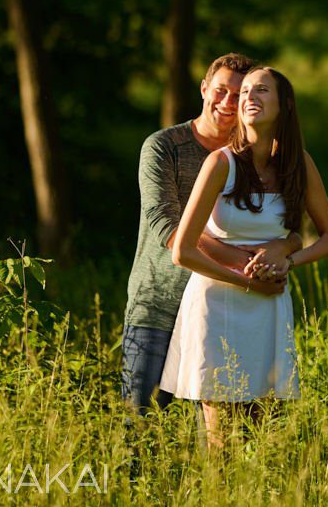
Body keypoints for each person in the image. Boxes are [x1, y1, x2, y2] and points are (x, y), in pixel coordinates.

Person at [160, 66, 328, 448]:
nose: (247, 98)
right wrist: (247, 281)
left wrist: (287, 259)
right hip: (218, 303)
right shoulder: (221, 164)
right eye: (244, 92)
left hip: (271, 304)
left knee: (265, 434)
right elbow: (183, 250)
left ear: (285, 104)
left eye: (261, 90)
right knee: (222, 441)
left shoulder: (298, 165)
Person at [122, 53, 303, 416]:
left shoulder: (254, 158)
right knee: (140, 425)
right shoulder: (164, 147)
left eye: (239, 95)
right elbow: (167, 225)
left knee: (217, 433)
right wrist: (251, 267)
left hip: (224, 307)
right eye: (220, 91)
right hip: (159, 304)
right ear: (204, 89)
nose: (228, 102)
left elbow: (285, 225)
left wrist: (283, 248)